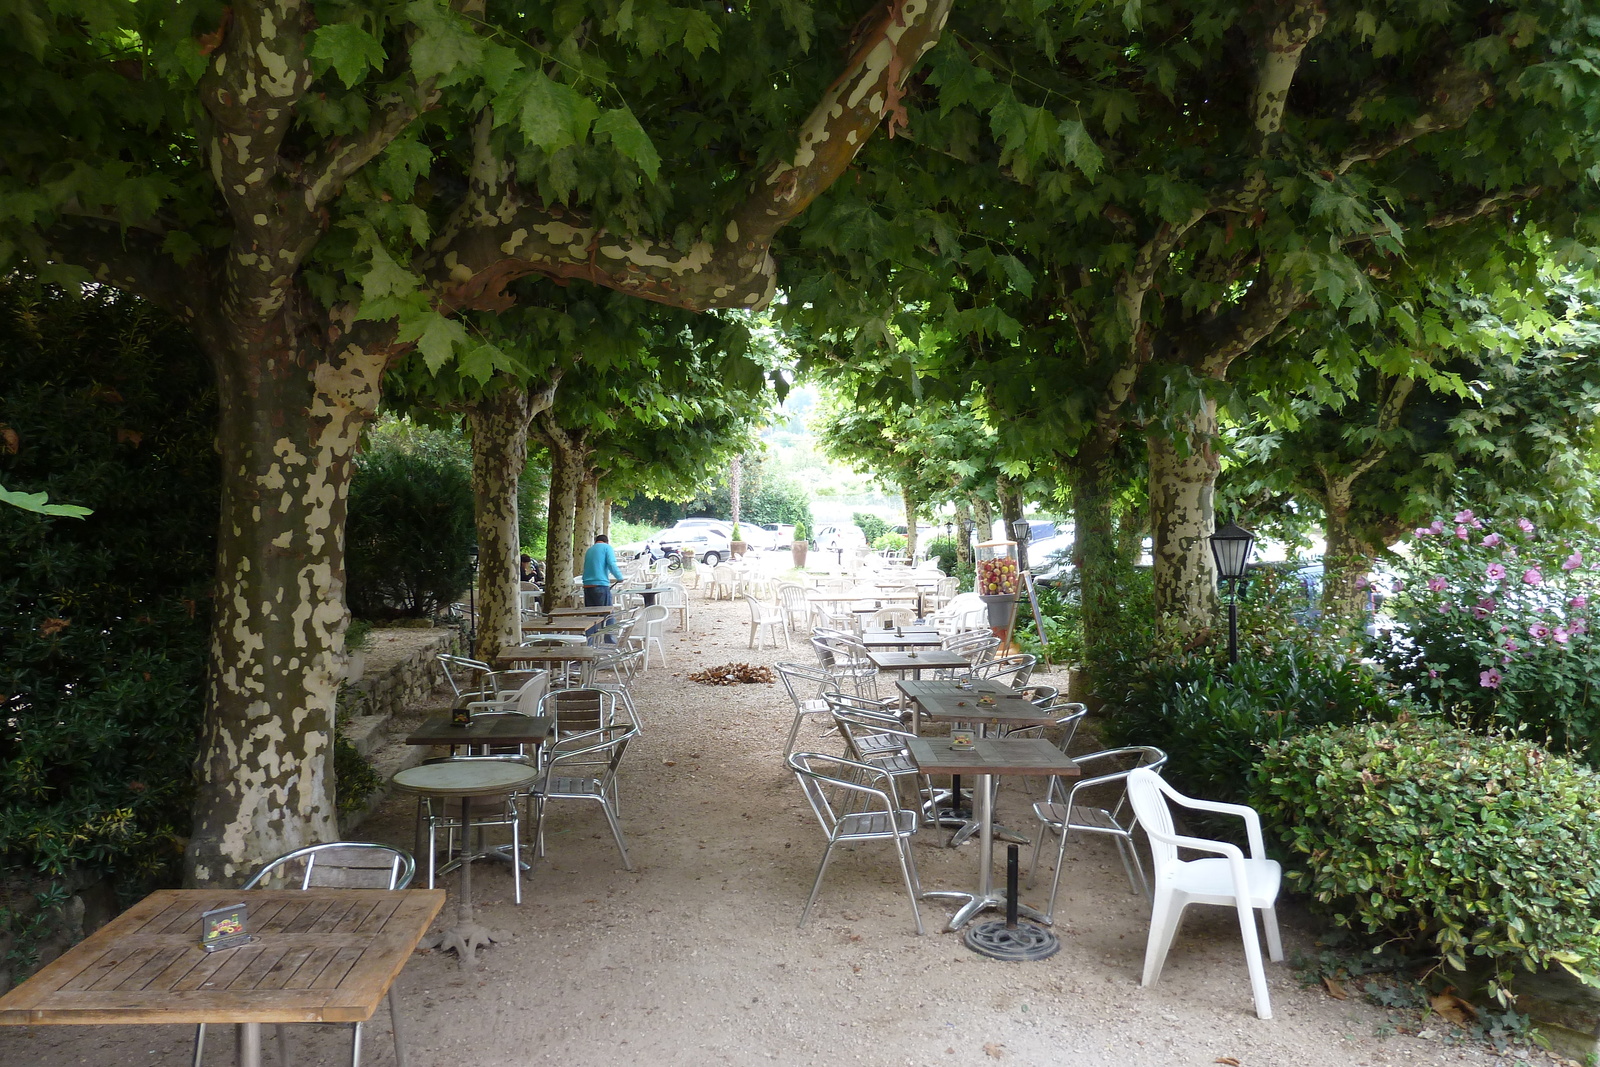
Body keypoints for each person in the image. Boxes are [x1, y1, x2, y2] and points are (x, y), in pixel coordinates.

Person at [581, 534, 624, 607]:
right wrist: (619, 577)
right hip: (600, 584)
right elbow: (611, 564)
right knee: (606, 614)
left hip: (587, 586)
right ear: (607, 542)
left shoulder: (589, 550)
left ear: (595, 542)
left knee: (591, 615)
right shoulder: (607, 547)